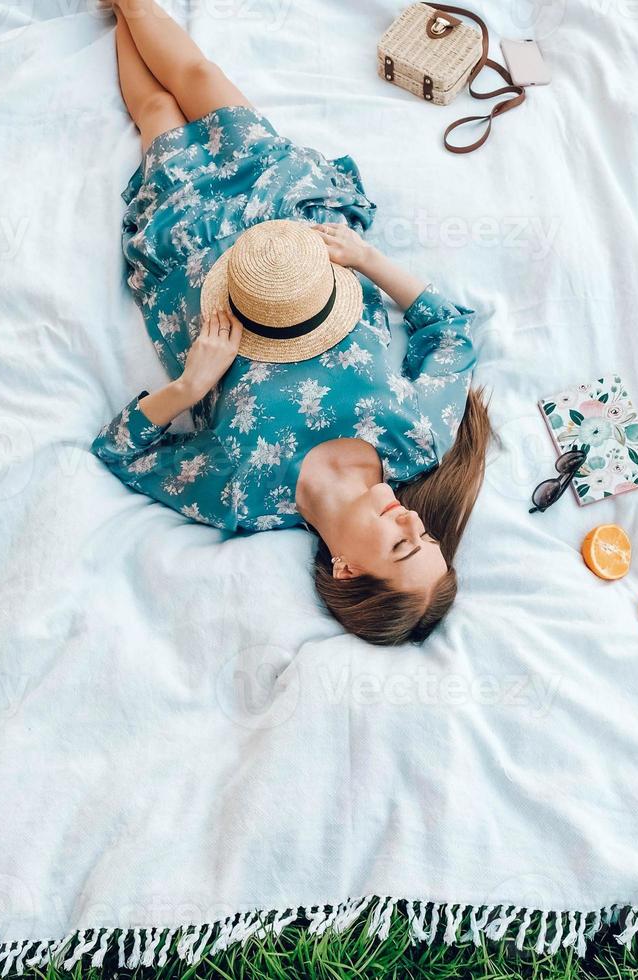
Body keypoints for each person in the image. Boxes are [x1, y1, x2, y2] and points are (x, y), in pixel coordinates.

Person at [93, 0, 491, 645]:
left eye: (402, 548)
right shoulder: (417, 441)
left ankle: (118, 15)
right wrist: (368, 259)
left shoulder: (243, 495)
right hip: (290, 224)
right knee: (196, 75)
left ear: (347, 567)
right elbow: (453, 334)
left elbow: (118, 450)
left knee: (158, 116)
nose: (415, 525)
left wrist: (189, 389)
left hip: (196, 253)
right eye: (427, 538)